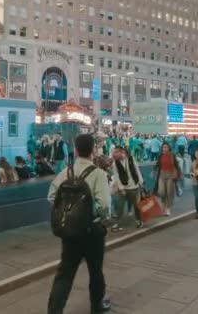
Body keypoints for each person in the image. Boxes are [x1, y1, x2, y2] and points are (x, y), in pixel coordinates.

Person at [47, 133, 112, 314]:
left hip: (70, 232)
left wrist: (70, 213)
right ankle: (96, 307)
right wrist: (90, 212)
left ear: (75, 150)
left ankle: (54, 310)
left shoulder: (65, 173)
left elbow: (52, 196)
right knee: (95, 270)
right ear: (93, 150)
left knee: (65, 273)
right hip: (92, 230)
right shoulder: (99, 174)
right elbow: (105, 205)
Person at [111, 146, 144, 230]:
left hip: (134, 186)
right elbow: (116, 176)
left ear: (122, 152)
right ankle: (118, 222)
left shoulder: (131, 159)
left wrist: (140, 181)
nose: (114, 154)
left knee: (136, 205)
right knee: (120, 206)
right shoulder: (115, 163)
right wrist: (121, 188)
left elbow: (137, 169)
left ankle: (139, 220)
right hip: (123, 188)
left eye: (116, 152)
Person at [154, 142, 182, 216]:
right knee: (161, 192)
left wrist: (178, 175)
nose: (165, 149)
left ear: (169, 148)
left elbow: (176, 165)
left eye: (166, 147)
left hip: (170, 175)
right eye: (163, 147)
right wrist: (154, 169)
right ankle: (164, 204)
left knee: (169, 193)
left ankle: (168, 208)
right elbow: (157, 164)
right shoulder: (160, 156)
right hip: (162, 175)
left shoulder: (172, 155)